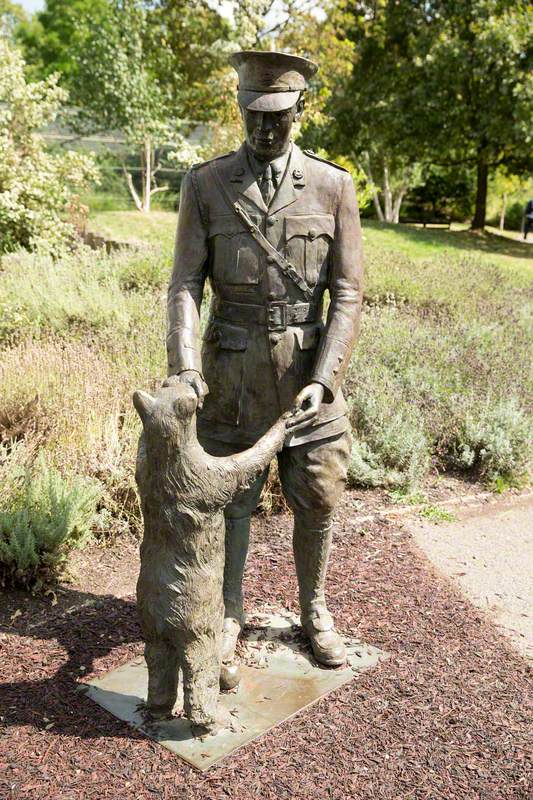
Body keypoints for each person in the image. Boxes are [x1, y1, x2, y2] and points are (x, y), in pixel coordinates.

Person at [167, 50, 363, 674]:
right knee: (233, 501)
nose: (263, 129)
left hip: (307, 378)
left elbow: (348, 294)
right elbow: (184, 287)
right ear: (241, 110)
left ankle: (315, 608)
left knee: (320, 493)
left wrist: (326, 380)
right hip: (231, 374)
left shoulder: (334, 187)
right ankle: (228, 614)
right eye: (253, 115)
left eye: (277, 116)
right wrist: (186, 367)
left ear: (300, 111)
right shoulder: (207, 184)